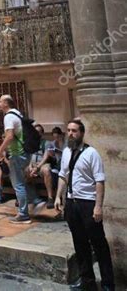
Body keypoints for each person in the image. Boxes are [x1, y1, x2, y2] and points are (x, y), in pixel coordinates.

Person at [55, 119, 115, 291]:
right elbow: (62, 175)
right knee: (79, 244)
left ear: (81, 133)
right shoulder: (66, 152)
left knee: (99, 245)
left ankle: (108, 284)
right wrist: (59, 196)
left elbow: (99, 181)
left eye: (74, 131)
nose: (71, 133)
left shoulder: (91, 153)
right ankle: (87, 281)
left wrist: (98, 206)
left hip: (88, 203)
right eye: (69, 130)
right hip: (72, 204)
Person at [0, 94, 39, 224]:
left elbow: (9, 136)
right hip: (25, 152)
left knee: (18, 184)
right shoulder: (18, 114)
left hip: (17, 153)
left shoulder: (9, 116)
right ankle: (36, 200)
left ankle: (23, 214)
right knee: (21, 181)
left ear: (6, 103)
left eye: (0, 102)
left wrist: (0, 150)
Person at [30, 126, 66, 208]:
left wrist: (37, 167)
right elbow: (29, 156)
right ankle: (25, 197)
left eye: (38, 132)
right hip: (32, 165)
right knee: (21, 170)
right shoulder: (31, 143)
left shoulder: (47, 143)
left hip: (42, 165)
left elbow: (46, 157)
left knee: (47, 170)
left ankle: (50, 198)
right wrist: (30, 166)